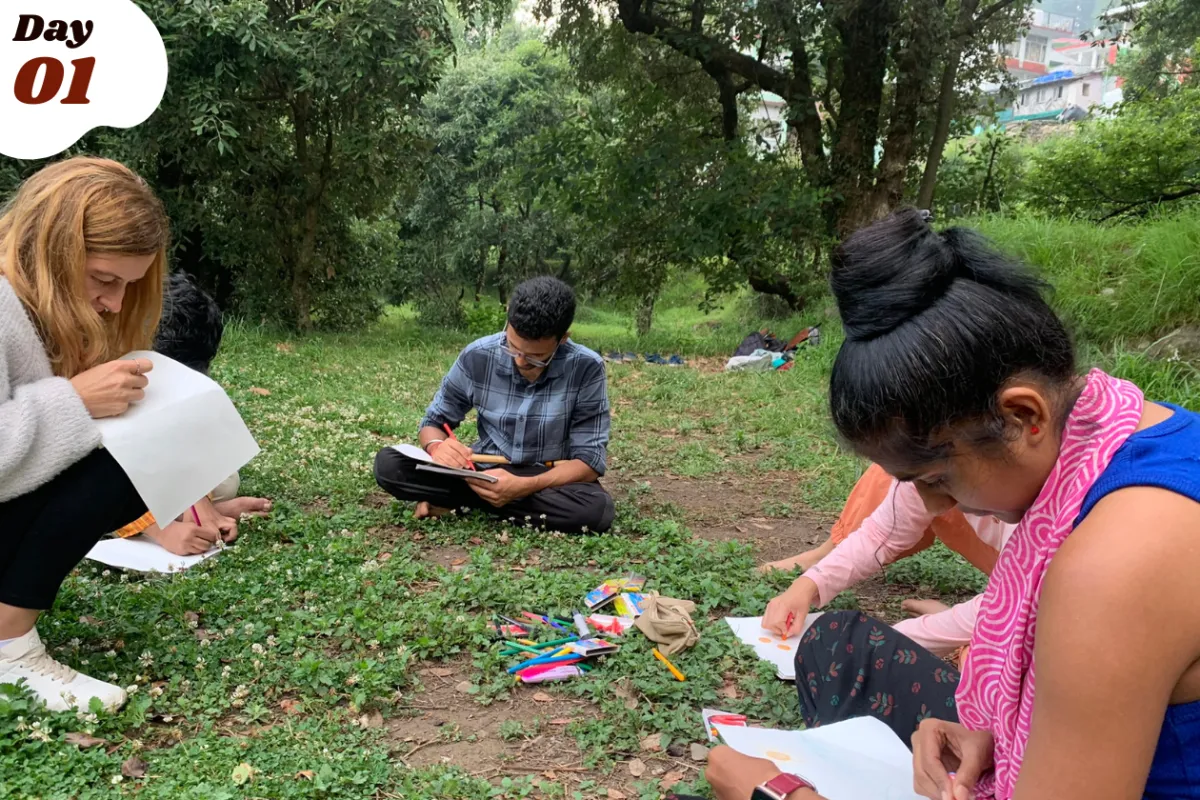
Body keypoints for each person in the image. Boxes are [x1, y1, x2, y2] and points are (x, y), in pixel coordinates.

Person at [703, 209, 1200, 800]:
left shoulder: (1117, 562)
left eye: (937, 478)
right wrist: (998, 735)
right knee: (837, 642)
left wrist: (783, 793)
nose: (935, 506)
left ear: (1022, 416)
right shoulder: (1123, 435)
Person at [0, 158, 234, 712]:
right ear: (51, 249)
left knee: (143, 434)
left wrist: (182, 508)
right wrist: (75, 401)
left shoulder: (39, 309)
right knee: (116, 454)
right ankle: (8, 648)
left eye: (129, 285)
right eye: (105, 280)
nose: (115, 302)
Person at [374, 276, 614, 534]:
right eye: (513, 348)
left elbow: (589, 461)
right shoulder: (478, 355)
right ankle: (495, 502)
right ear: (508, 322)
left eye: (536, 357)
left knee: (595, 510)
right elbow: (433, 423)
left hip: (547, 478)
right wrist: (437, 447)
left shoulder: (586, 367)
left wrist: (524, 486)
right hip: (482, 472)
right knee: (390, 465)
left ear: (562, 339)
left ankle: (461, 502)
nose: (520, 361)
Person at [761, 463, 1014, 658]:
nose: (930, 503)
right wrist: (808, 584)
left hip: (1021, 604)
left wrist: (887, 641)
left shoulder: (1030, 510)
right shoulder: (937, 456)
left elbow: (1012, 607)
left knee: (986, 663)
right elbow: (883, 532)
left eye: (936, 480)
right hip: (1011, 595)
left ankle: (967, 638)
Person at [112, 271, 272, 555]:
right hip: (101, 466)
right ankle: (169, 517)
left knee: (225, 481)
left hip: (153, 462)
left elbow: (180, 439)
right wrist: (162, 531)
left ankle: (195, 513)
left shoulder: (187, 367)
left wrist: (198, 501)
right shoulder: (105, 371)